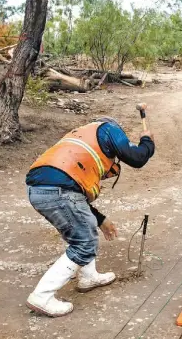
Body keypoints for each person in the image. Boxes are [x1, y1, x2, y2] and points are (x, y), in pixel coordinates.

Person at [25, 116, 155, 317]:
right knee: (84, 243)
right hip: (60, 191)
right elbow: (137, 158)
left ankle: (88, 277)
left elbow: (70, 186)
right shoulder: (109, 129)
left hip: (39, 190)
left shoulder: (77, 138)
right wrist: (147, 141)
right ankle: (42, 296)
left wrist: (100, 219)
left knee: (84, 228)